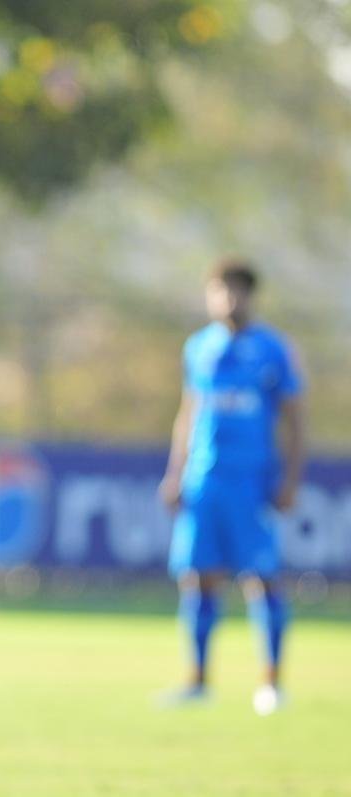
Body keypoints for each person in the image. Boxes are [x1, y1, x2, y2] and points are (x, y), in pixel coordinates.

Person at [158, 258, 306, 715]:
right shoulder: (198, 347)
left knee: (261, 578)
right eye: (220, 290)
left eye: (237, 290)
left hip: (252, 482)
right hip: (204, 481)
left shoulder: (272, 350)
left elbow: (295, 419)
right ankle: (198, 680)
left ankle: (271, 681)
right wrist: (175, 472)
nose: (229, 299)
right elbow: (188, 414)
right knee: (196, 576)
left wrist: (290, 478)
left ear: (250, 296)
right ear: (209, 295)